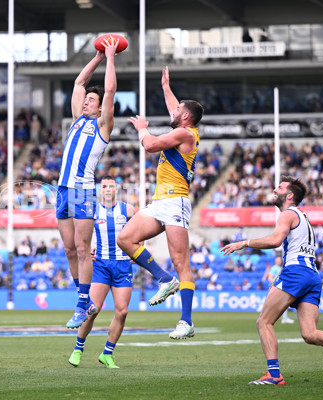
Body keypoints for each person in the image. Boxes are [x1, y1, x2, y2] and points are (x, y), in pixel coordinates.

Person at [221, 176, 323, 385]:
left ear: (289, 195)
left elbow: (276, 240)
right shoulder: (303, 218)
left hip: (296, 272)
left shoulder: (288, 214)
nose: (275, 189)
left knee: (264, 322)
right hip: (312, 275)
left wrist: (245, 243)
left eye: (279, 187)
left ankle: (274, 375)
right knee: (310, 334)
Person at [118, 66, 204, 340]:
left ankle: (186, 321)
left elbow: (152, 145)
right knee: (125, 238)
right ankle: (164, 279)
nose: (173, 111)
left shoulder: (186, 134)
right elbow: (173, 113)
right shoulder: (183, 129)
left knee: (182, 263)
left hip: (176, 202)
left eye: (178, 109)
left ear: (186, 116)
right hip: (160, 202)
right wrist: (167, 88)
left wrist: (143, 130)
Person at [57, 37, 119, 329]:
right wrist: (95, 57)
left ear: (99, 109)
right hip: (62, 190)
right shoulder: (76, 120)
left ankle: (83, 305)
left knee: (83, 248)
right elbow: (79, 83)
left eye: (90, 102)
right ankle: (84, 299)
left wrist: (110, 58)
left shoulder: (102, 126)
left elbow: (109, 90)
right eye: (85, 101)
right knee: (69, 249)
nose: (85, 102)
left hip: (83, 191)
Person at [68, 176, 136, 369]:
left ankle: (107, 353)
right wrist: (87, 247)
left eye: (111, 186)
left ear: (117, 189)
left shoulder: (128, 210)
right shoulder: (92, 211)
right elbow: (80, 236)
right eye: (104, 186)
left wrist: (138, 248)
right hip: (101, 265)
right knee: (93, 309)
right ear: (100, 189)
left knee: (122, 312)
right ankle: (78, 348)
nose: (107, 189)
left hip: (123, 265)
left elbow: (140, 231)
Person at [267, 256, 294, 324]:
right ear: (275, 261)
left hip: (281, 287)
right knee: (282, 303)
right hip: (277, 287)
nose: (279, 261)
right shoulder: (274, 268)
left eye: (280, 260)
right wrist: (275, 284)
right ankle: (283, 318)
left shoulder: (281, 268)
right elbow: (270, 278)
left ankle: (284, 318)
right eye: (278, 260)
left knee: (283, 303)